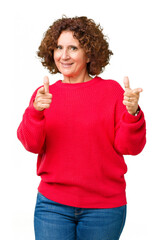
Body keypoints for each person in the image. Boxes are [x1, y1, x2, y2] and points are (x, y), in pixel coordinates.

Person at [17, 16, 146, 240]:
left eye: (73, 48)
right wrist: (35, 112)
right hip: (52, 206)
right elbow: (31, 144)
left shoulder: (112, 92)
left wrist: (133, 113)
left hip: (104, 208)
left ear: (89, 53)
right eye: (59, 47)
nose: (63, 55)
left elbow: (130, 147)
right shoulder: (45, 95)